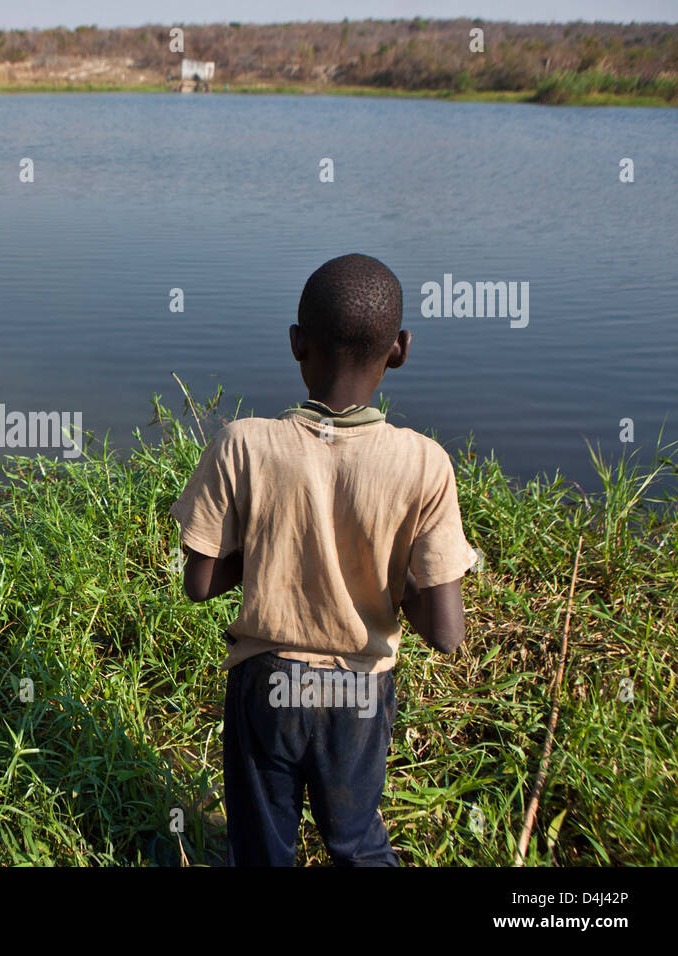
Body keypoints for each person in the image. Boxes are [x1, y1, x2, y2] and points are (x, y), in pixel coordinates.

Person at [171, 253, 475, 866]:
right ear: (400, 349)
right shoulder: (424, 463)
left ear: (296, 344)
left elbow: (199, 584)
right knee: (357, 842)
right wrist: (393, 585)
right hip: (359, 694)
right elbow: (446, 634)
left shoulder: (243, 444)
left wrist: (263, 554)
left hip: (269, 683)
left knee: (261, 849)